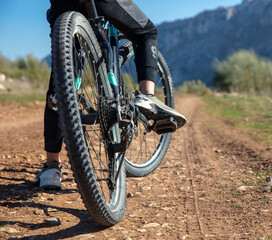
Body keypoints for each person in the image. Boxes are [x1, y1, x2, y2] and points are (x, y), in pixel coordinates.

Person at [33, 0, 187, 190]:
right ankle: (148, 96)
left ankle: (51, 168)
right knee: (147, 33)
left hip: (61, 5)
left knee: (61, 80)